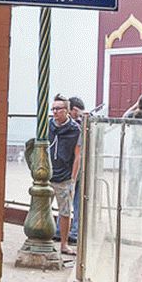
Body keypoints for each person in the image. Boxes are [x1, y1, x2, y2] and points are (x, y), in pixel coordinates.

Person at [49, 94, 81, 256]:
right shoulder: (48, 125)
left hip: (64, 176)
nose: (55, 112)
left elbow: (78, 155)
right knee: (43, 208)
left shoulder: (75, 130)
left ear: (67, 111)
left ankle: (64, 243)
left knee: (65, 211)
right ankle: (45, 239)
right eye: (53, 109)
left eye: (58, 109)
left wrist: (73, 179)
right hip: (48, 174)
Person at [55, 96, 86, 245]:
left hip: (71, 169)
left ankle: (66, 232)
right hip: (66, 169)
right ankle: (66, 232)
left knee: (69, 202)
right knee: (69, 202)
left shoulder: (75, 128)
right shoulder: (58, 126)